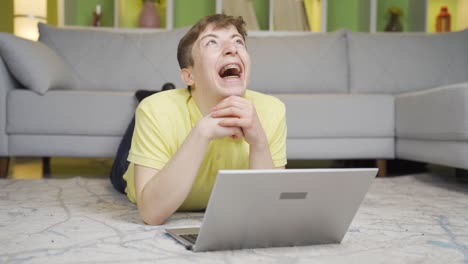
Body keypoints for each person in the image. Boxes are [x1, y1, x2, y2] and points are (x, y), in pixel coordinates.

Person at [110, 14, 287, 225]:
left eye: (238, 40)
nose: (232, 49)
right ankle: (156, 94)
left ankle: (166, 91)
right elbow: (151, 213)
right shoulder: (155, 111)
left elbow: (267, 211)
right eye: (212, 42)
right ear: (189, 76)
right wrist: (201, 133)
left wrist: (259, 143)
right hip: (136, 161)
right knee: (123, 162)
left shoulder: (272, 110)